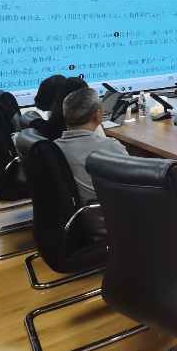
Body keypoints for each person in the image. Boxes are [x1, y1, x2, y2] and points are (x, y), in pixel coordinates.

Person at [54, 87, 129, 238]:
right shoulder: (110, 147)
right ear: (98, 115)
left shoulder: (53, 147)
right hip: (108, 222)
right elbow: (135, 185)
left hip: (76, 221)